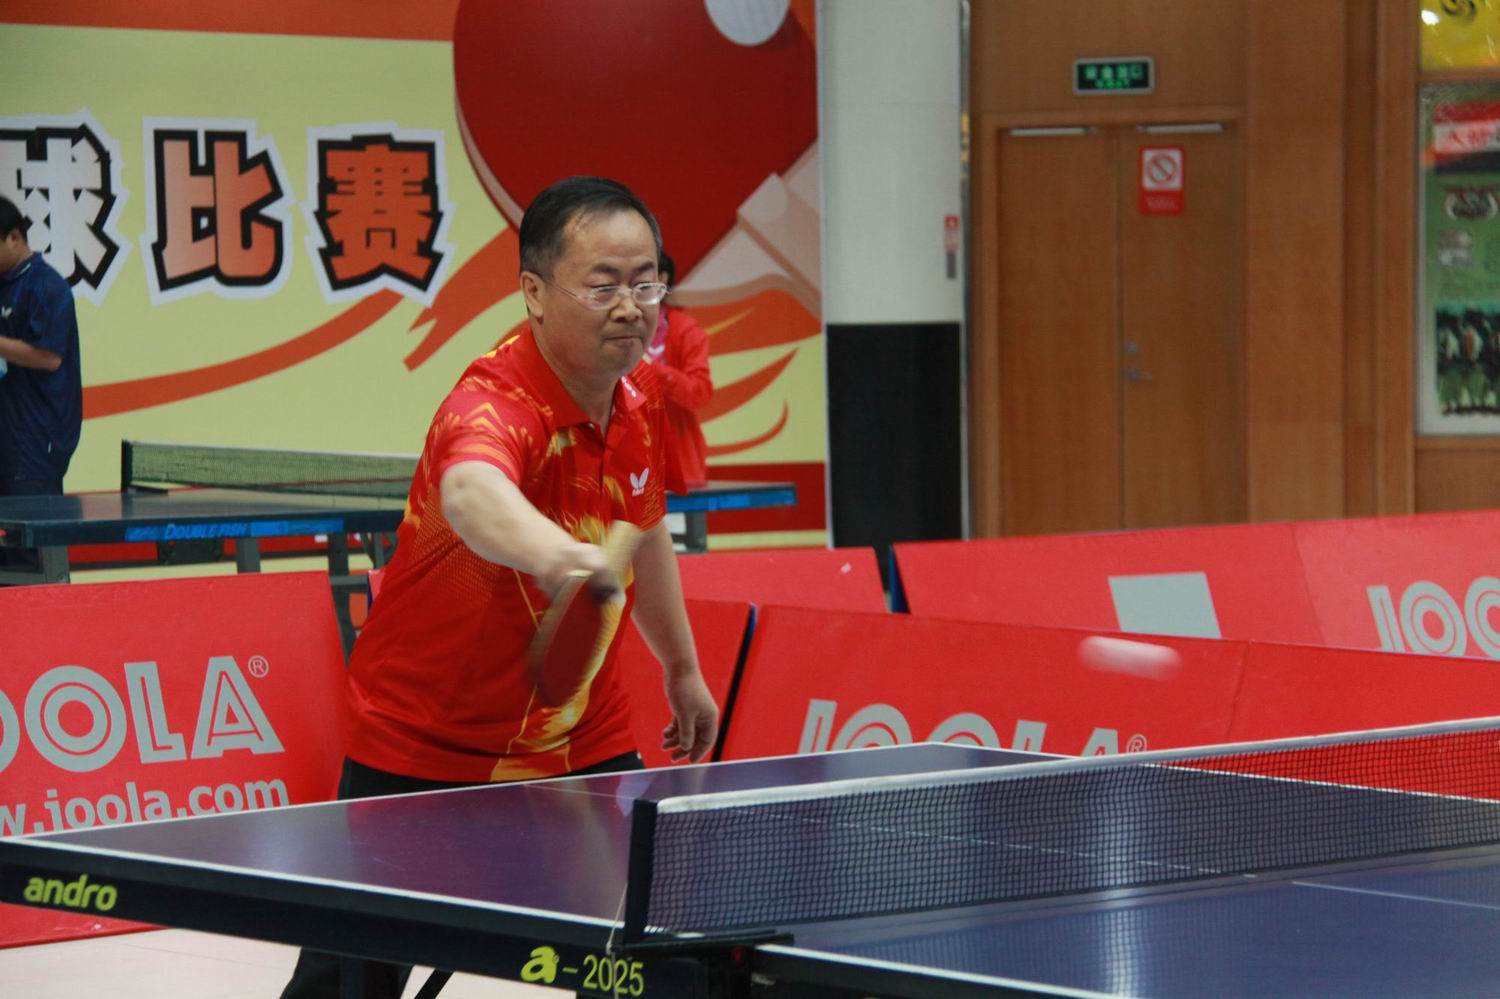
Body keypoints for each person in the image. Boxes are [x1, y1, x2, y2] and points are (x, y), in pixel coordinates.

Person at [279, 176, 720, 999]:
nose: (630, 306)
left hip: (577, 734)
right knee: (349, 978)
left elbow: (645, 522)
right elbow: (471, 492)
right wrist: (561, 558)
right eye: (602, 285)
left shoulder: (636, 399)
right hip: (428, 735)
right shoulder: (492, 403)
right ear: (534, 292)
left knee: (652, 952)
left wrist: (682, 666)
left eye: (646, 281)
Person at [0, 196, 82, 498]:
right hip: (6, 442)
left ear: (14, 238)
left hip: (34, 448)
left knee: (30, 528)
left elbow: (49, 357)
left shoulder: (47, 285)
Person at [648, 252, 713, 487]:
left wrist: (652, 370)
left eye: (643, 275)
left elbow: (699, 393)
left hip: (678, 460)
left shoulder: (685, 330)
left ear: (662, 278)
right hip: (627, 461)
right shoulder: (616, 328)